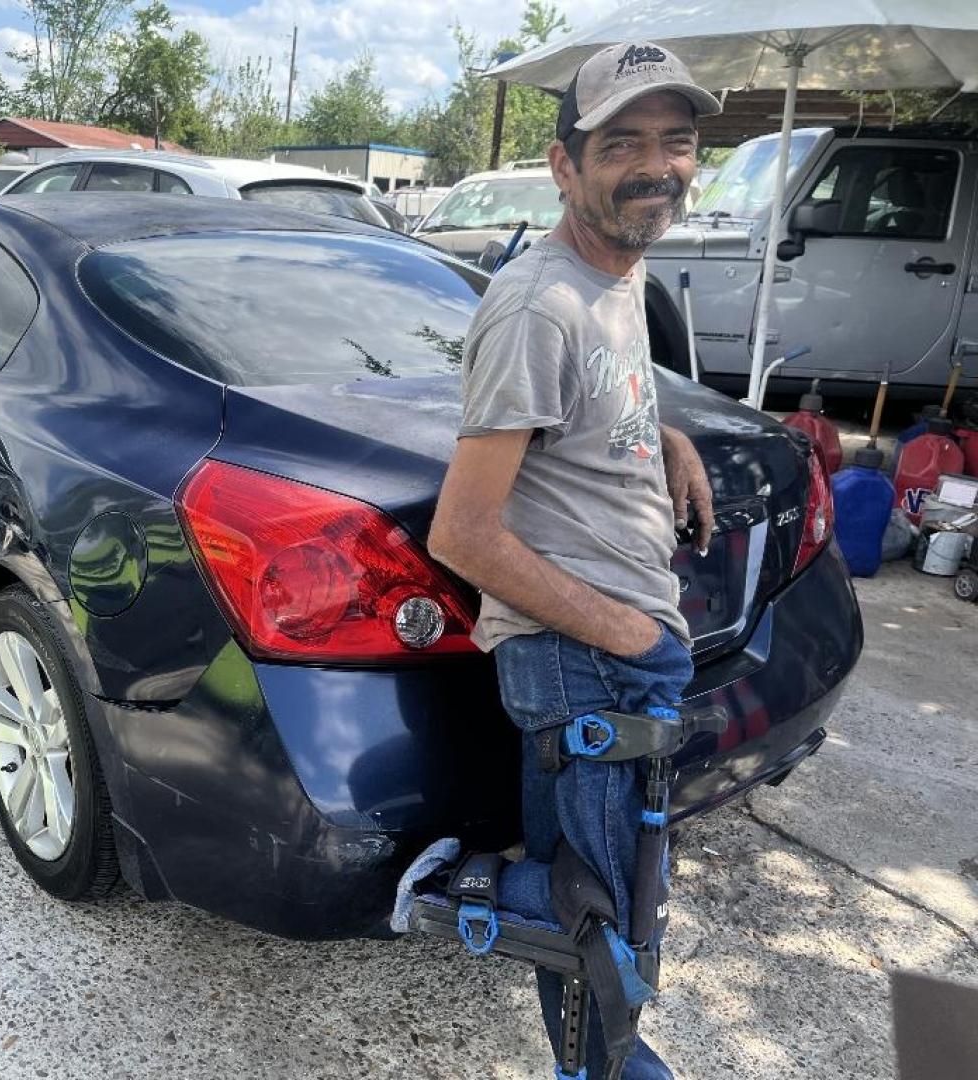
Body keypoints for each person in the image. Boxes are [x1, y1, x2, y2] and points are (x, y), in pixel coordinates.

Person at [426, 42, 722, 1080]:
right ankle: (455, 893)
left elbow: (595, 404)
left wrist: (668, 438)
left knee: (601, 907)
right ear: (563, 166)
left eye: (676, 140)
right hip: (589, 659)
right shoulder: (536, 303)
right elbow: (461, 534)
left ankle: (584, 1064)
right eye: (623, 143)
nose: (656, 164)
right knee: (607, 923)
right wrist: (633, 637)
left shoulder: (621, 275)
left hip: (617, 654)